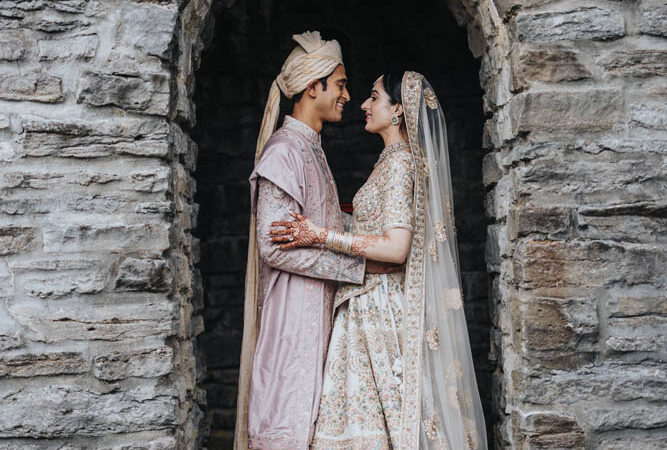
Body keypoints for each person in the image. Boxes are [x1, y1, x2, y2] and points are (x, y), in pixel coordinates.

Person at [270, 71, 488, 449]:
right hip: (365, 305)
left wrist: (321, 236)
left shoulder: (401, 164)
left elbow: (395, 248)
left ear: (398, 110)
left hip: (382, 307)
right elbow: (379, 226)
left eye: (374, 97)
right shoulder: (388, 163)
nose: (364, 105)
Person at [235, 31, 397, 450]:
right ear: (313, 87)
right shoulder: (284, 152)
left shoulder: (310, 148)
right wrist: (359, 267)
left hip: (318, 307)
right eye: (340, 85)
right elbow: (273, 247)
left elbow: (319, 225)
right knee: (289, 424)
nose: (347, 95)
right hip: (293, 316)